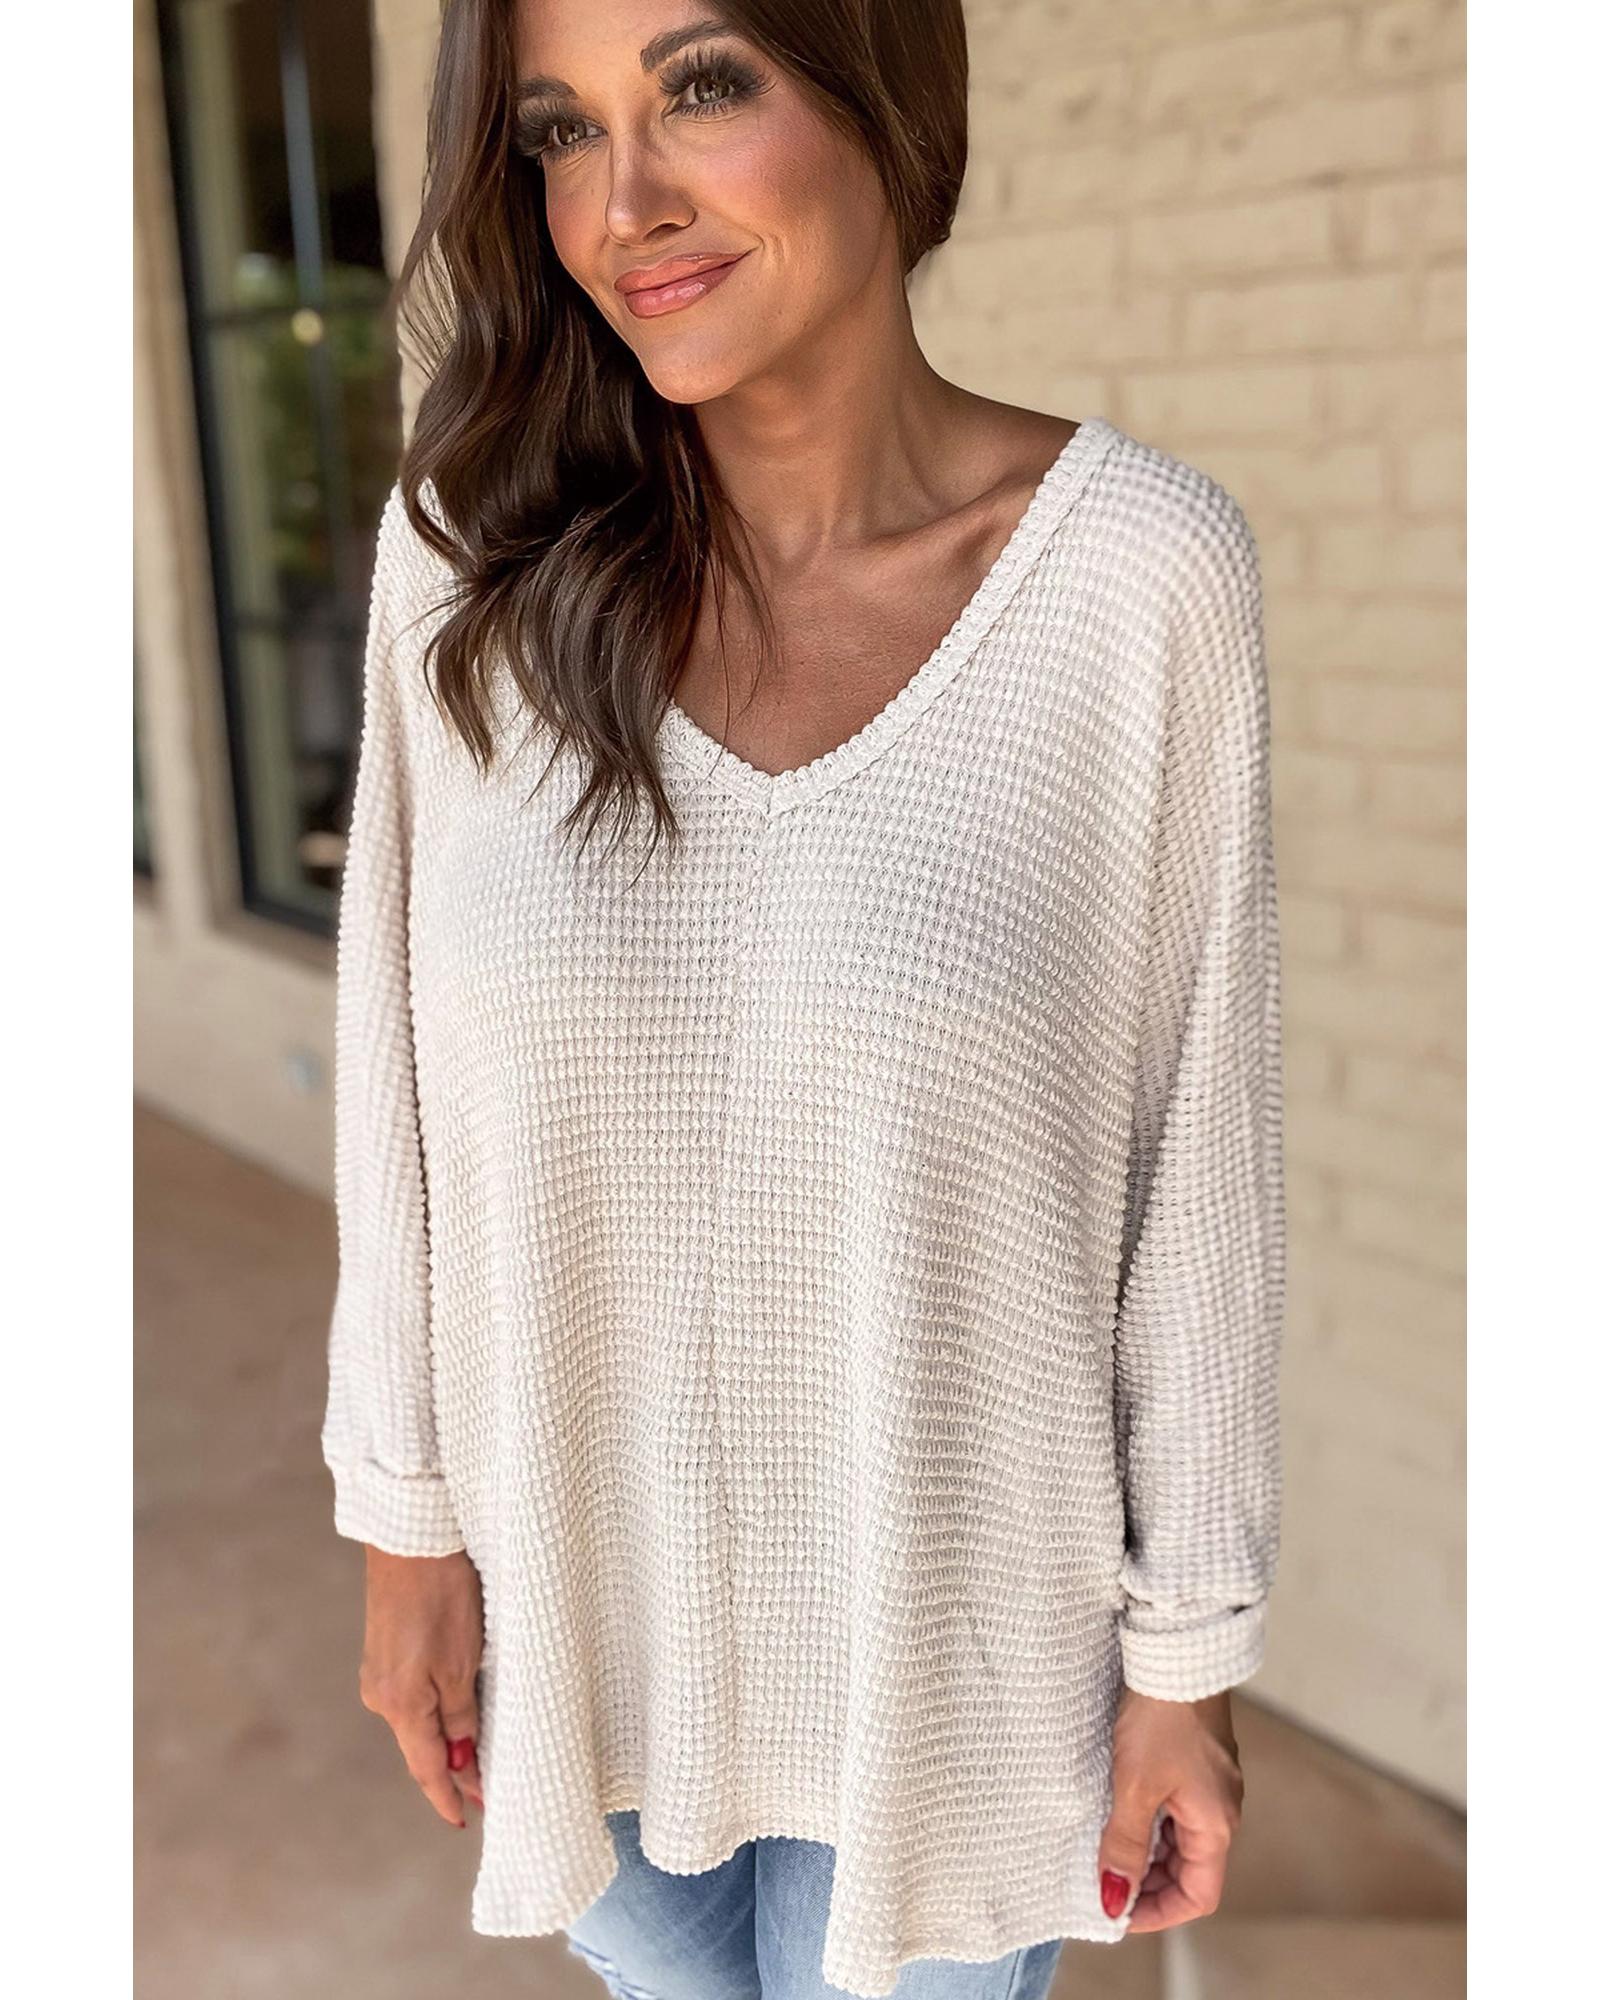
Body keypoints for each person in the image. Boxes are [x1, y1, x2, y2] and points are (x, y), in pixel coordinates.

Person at [319, 2, 1286, 1996]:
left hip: (961, 1652)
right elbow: (393, 1090)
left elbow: (1196, 1169)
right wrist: (402, 1517)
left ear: (878, 85)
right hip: (577, 1617)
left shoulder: (1137, 581)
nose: (624, 205)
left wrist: (1185, 1655)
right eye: (558, 132)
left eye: (701, 88)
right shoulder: (467, 564)